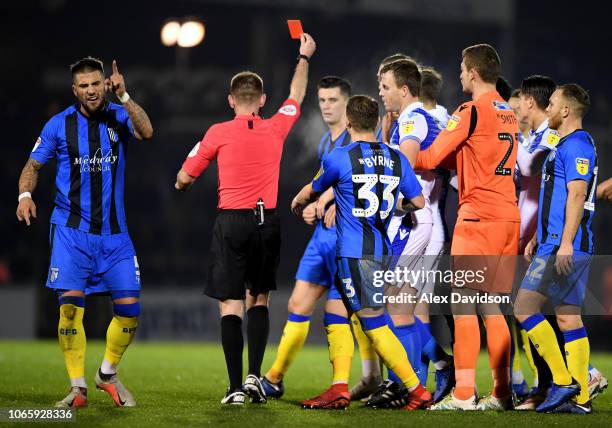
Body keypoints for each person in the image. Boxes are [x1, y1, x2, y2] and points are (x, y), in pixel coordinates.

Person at [174, 34, 316, 405]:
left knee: (230, 305)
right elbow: (297, 96)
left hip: (232, 223)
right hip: (266, 221)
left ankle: (235, 387)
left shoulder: (218, 132)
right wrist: (303, 56)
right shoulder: (276, 126)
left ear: (231, 100)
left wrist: (184, 179)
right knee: (259, 300)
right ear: (263, 101)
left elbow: (184, 179)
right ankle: (255, 378)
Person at [16, 57, 153, 408]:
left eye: (97, 83)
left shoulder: (118, 115)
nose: (91, 91)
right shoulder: (58, 125)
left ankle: (107, 373)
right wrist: (25, 195)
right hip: (71, 232)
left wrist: (125, 97)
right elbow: (33, 166)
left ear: (105, 83)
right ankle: (78, 387)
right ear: (74, 90)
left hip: (115, 235)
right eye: (84, 86)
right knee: (70, 310)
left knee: (130, 311)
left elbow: (147, 131)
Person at [291, 94, 433, 410]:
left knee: (374, 324)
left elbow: (313, 189)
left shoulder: (340, 157)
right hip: (380, 250)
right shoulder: (396, 159)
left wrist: (297, 204)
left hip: (355, 254)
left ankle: (416, 390)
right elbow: (418, 203)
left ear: (350, 122)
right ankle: (339, 387)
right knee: (335, 311)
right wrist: (396, 207)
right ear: (376, 119)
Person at [415, 44, 520, 410]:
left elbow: (428, 157)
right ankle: (503, 392)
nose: (460, 75)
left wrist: (405, 150)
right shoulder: (509, 113)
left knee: (463, 306)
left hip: (478, 218)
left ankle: (462, 393)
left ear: (473, 72)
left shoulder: (470, 111)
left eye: (462, 69)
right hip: (507, 217)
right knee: (492, 307)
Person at [261, 76, 356, 409]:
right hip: (322, 238)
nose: (327, 106)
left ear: (347, 103)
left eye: (333, 100)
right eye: (323, 101)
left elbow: (357, 174)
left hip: (348, 236)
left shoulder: (354, 139)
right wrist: (314, 205)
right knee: (298, 305)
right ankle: (274, 379)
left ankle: (353, 384)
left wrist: (327, 201)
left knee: (349, 316)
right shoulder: (324, 143)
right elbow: (326, 179)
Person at [366, 58, 452, 408]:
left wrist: (390, 204)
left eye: (385, 86)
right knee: (402, 307)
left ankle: (407, 383)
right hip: (426, 221)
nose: (380, 92)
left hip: (414, 222)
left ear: (404, 89)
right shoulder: (417, 118)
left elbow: (408, 166)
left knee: (389, 304)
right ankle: (417, 379)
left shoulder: (414, 119)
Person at [514, 84, 597, 414]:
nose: (546, 109)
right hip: (554, 241)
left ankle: (563, 382)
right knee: (567, 318)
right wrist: (536, 234)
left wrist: (563, 243)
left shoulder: (578, 144)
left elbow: (577, 196)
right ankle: (581, 400)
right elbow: (556, 199)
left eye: (551, 104)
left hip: (565, 244)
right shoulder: (564, 144)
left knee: (523, 308)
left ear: (565, 110)